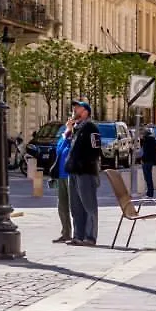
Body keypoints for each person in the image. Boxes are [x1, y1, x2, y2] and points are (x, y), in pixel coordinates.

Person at [65, 100, 101, 246]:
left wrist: (85, 163)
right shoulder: (76, 128)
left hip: (85, 172)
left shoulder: (92, 128)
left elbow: (96, 150)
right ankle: (78, 235)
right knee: (75, 206)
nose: (75, 110)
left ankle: (90, 237)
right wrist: (69, 129)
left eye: (78, 108)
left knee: (89, 204)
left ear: (85, 112)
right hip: (73, 171)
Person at [49, 118, 73, 243]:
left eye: (71, 123)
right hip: (61, 176)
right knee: (62, 206)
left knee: (74, 206)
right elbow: (58, 149)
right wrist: (66, 132)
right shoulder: (64, 137)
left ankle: (79, 234)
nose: (68, 123)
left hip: (71, 175)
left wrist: (70, 133)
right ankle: (66, 233)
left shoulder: (75, 138)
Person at [140, 128, 156, 199]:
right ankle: (149, 192)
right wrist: (155, 160)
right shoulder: (152, 140)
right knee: (148, 177)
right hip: (150, 160)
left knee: (147, 177)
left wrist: (142, 159)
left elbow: (145, 151)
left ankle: (149, 193)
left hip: (146, 161)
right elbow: (155, 151)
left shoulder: (146, 141)